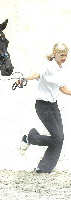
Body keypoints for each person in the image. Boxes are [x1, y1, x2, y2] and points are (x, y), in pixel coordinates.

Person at [19, 42, 71, 173]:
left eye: (66, 55)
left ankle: (43, 168)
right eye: (62, 55)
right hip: (43, 106)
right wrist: (24, 78)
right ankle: (30, 138)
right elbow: (36, 74)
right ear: (55, 54)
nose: (64, 58)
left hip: (54, 106)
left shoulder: (61, 69)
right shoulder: (48, 67)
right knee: (58, 138)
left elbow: (62, 88)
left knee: (59, 138)